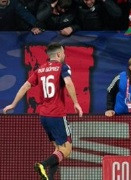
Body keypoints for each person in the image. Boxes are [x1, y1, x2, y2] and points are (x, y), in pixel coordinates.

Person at [3, 43, 83, 180]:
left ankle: (49, 178)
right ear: (58, 54)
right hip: (57, 114)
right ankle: (42, 164)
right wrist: (76, 103)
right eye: (63, 53)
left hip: (44, 116)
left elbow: (25, 86)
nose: (64, 55)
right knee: (67, 150)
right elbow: (69, 83)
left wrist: (13, 104)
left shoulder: (40, 69)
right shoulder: (63, 67)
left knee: (58, 150)